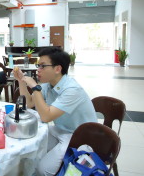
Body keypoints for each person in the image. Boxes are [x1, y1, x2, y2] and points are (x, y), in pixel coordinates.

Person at [13, 47, 97, 176]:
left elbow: (46, 117)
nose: (38, 70)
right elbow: (29, 104)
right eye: (38, 65)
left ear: (58, 69)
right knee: (30, 143)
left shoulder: (72, 90)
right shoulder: (49, 84)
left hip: (79, 137)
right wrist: (21, 81)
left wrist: (35, 87)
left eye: (42, 66)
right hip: (61, 130)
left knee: (43, 169)